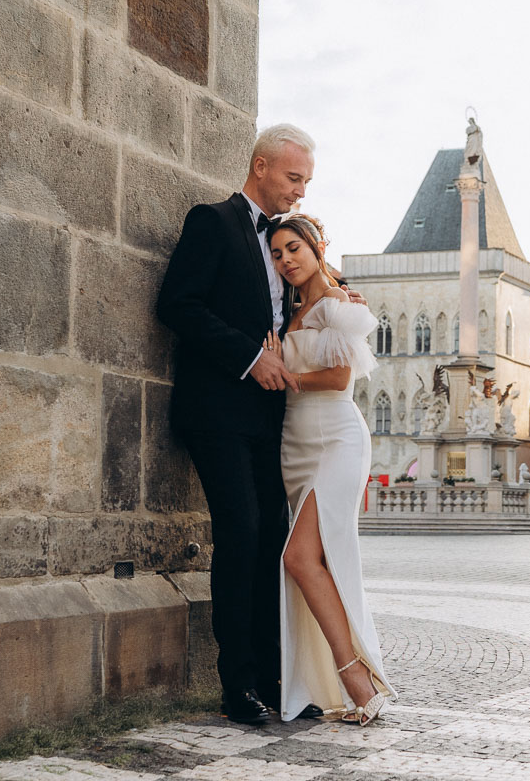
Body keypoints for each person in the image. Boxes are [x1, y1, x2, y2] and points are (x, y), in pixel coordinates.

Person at [156, 124, 338, 725]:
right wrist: (247, 355)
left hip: (270, 420)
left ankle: (275, 681)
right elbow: (176, 304)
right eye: (293, 178)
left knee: (273, 544)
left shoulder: (285, 240)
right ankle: (238, 687)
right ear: (261, 166)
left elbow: (305, 291)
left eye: (306, 182)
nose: (300, 192)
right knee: (241, 535)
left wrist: (342, 297)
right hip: (217, 413)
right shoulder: (211, 221)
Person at [267, 213, 395, 724]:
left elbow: (341, 377)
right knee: (306, 561)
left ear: (318, 246)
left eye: (294, 248)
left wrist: (286, 375)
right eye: (277, 254)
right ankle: (331, 684)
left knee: (300, 558)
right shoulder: (287, 309)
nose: (286, 260)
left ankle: (357, 680)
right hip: (295, 442)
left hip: (336, 437)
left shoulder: (339, 303)